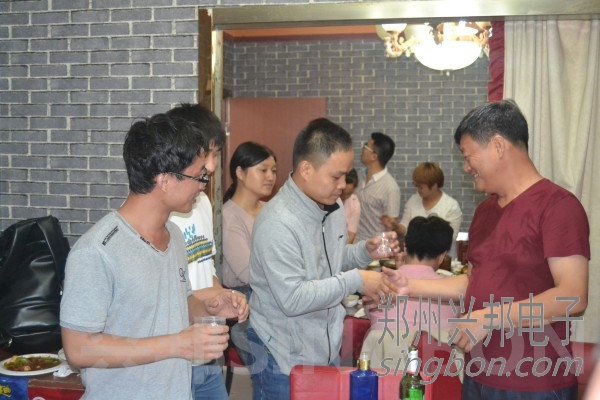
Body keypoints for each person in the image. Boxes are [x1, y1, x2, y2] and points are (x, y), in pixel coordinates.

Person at [383, 100, 589, 399]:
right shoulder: (485, 211)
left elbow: (573, 297)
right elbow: (475, 282)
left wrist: (489, 318)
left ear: (498, 146)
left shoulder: (557, 207)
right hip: (478, 375)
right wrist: (410, 286)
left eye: (468, 156)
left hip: (533, 382)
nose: (466, 167)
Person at [60, 113, 248, 399]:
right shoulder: (97, 251)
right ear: (165, 180)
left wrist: (209, 308)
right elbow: (78, 349)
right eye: (199, 175)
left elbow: (178, 305)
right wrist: (177, 345)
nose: (203, 184)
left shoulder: (174, 235)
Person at [246, 117, 401, 400]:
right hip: (281, 355)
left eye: (346, 176)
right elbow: (293, 298)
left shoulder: (332, 206)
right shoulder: (277, 222)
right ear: (306, 169)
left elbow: (330, 262)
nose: (343, 185)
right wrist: (356, 280)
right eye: (335, 176)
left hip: (323, 345)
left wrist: (364, 252)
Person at [166, 103, 248, 400]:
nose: (211, 166)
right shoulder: (163, 212)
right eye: (207, 154)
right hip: (175, 356)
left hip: (207, 355)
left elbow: (206, 267)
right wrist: (210, 301)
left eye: (216, 154)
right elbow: (167, 297)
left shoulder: (200, 202)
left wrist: (225, 296)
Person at [361, 215, 457, 368]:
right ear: (442, 256)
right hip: (436, 378)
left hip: (382, 377)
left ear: (405, 247)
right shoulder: (453, 294)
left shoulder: (378, 286)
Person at [222, 141, 277, 300]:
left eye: (274, 171)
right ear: (240, 173)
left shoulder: (272, 209)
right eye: (263, 170)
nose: (270, 177)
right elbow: (249, 274)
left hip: (275, 290)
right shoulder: (227, 217)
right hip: (246, 299)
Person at [380, 162, 462, 256]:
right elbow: (405, 229)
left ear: (434, 185)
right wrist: (395, 226)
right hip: (416, 258)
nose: (418, 190)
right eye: (416, 185)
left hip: (443, 259)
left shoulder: (451, 206)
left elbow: (449, 238)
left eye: (421, 187)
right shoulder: (413, 200)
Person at [354, 132, 401, 242]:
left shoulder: (390, 187)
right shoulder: (357, 176)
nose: (362, 149)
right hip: (353, 244)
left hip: (375, 246)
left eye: (366, 146)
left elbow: (391, 227)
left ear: (374, 156)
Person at [341, 168, 361, 244]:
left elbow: (351, 234)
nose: (344, 197)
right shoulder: (327, 198)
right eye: (342, 192)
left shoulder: (354, 203)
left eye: (348, 193)